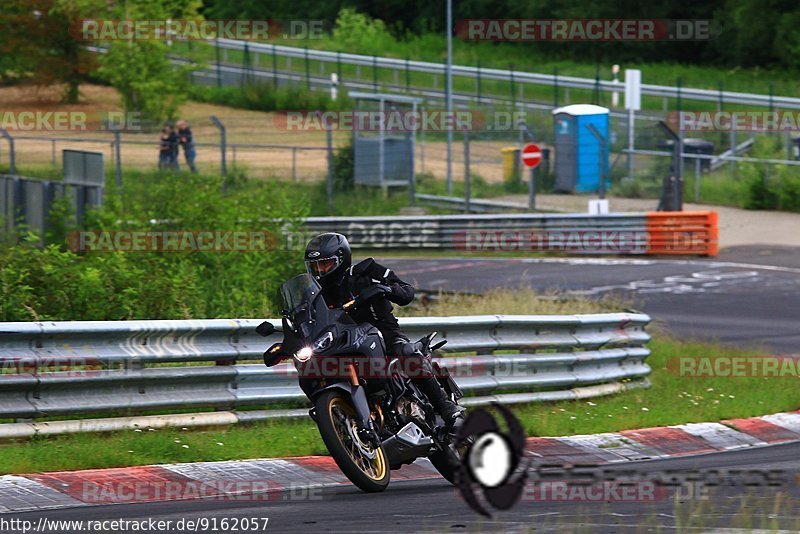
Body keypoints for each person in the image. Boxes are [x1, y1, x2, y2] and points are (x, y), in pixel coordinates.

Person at [303, 232, 463, 427]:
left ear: (341, 259)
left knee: (406, 351)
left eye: (325, 264)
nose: (320, 270)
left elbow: (407, 292)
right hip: (344, 343)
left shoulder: (367, 272)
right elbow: (305, 319)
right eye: (315, 266)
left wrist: (387, 290)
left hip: (384, 334)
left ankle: (444, 405)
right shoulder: (314, 295)